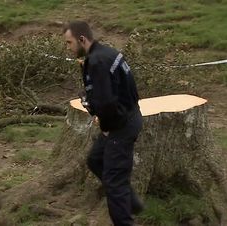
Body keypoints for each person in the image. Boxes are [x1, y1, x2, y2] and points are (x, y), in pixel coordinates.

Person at [63, 21, 144, 226]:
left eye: (69, 43)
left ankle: (125, 219)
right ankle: (133, 203)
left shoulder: (97, 62)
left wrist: (107, 128)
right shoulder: (108, 53)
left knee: (113, 181)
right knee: (95, 159)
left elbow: (106, 102)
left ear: (82, 39)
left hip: (121, 125)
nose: (68, 48)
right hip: (128, 115)